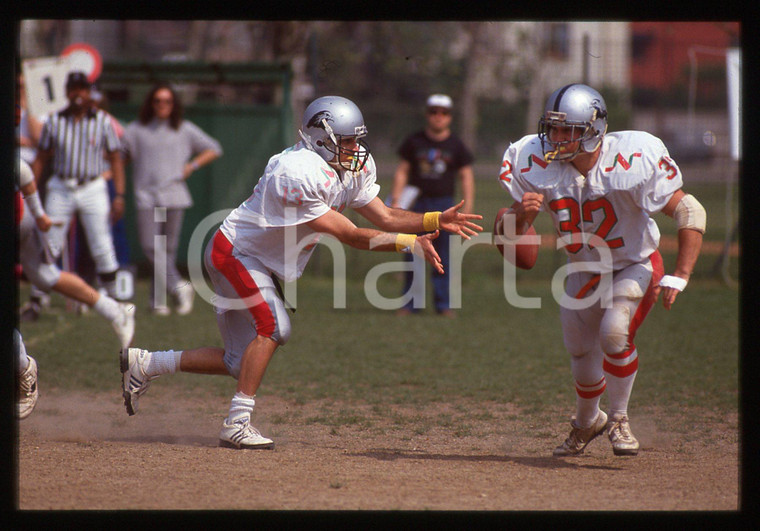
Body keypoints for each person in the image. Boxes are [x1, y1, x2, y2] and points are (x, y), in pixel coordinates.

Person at [120, 95, 483, 449]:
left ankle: (147, 363)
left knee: (238, 360)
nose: (356, 148)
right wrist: (408, 243)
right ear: (321, 137)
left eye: (357, 139)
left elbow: (384, 215)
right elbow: (353, 236)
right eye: (348, 140)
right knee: (275, 328)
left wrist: (433, 219)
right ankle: (236, 423)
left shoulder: (345, 168)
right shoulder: (295, 171)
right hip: (236, 253)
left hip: (254, 259)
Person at [497, 83, 704, 457]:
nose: (556, 138)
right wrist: (519, 217)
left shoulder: (631, 157)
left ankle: (620, 419)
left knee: (614, 334)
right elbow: (504, 238)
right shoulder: (533, 161)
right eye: (553, 128)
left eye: (567, 130)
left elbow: (691, 211)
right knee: (579, 352)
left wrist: (683, 273)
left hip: (634, 263)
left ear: (593, 130)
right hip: (581, 267)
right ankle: (587, 421)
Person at [25, 71, 127, 321]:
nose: (78, 94)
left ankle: (116, 303)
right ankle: (37, 300)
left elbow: (115, 158)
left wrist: (120, 195)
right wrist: (33, 193)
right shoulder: (54, 121)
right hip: (62, 185)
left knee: (101, 244)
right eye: (74, 89)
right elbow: (41, 158)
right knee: (50, 243)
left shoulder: (102, 120)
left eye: (82, 88)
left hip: (92, 185)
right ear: (67, 91)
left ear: (89, 91)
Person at [121, 83, 223, 316]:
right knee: (150, 246)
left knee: (166, 250)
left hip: (175, 196)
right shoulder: (136, 130)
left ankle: (159, 301)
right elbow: (121, 155)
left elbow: (213, 148)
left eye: (167, 101)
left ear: (173, 104)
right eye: (157, 101)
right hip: (147, 197)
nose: (162, 105)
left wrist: (192, 165)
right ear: (151, 103)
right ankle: (180, 287)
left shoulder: (184, 129)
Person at [16, 154, 135, 352]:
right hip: (40, 203)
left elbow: (23, 171)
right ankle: (113, 309)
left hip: (18, 220)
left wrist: (38, 215)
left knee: (50, 271)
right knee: (45, 276)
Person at [390, 94, 475, 317]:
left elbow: (466, 175)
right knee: (413, 251)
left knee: (444, 256)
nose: (438, 117)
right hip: (417, 205)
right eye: (434, 111)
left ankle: (444, 304)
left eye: (443, 112)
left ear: (450, 117)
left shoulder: (456, 145)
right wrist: (397, 200)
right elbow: (402, 171)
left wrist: (467, 207)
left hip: (444, 206)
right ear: (428, 114)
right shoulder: (414, 141)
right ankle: (411, 304)